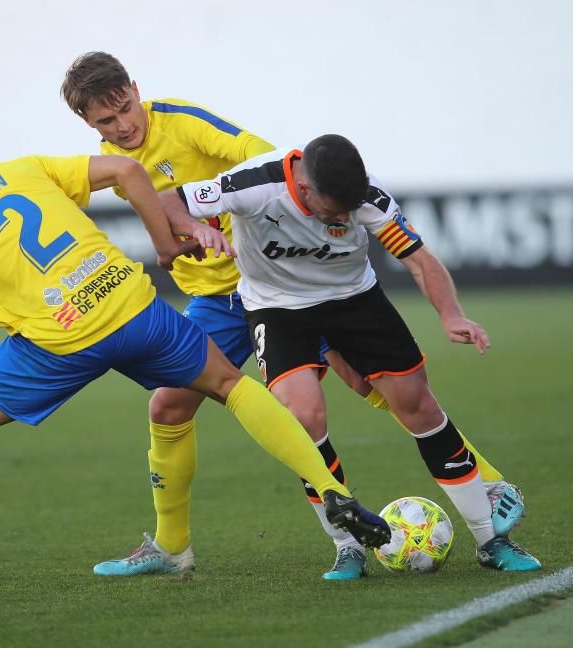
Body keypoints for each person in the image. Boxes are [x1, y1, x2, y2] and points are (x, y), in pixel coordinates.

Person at [0, 128, 390, 602]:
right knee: (231, 384)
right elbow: (129, 171)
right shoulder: (22, 167)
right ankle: (330, 486)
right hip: (130, 303)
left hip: (60, 339)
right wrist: (163, 242)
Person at [61, 52, 525, 580]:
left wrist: (224, 216)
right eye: (106, 120)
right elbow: (163, 226)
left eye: (126, 108)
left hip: (290, 283)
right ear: (88, 123)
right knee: (169, 407)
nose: (123, 125)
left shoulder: (185, 122)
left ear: (135, 89)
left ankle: (487, 485)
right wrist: (189, 232)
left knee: (375, 385)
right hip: (225, 301)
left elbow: (262, 160)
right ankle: (173, 548)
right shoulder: (114, 166)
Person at [161, 134, 542, 572]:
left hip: (354, 300)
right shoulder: (252, 184)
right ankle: (347, 545)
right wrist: (194, 228)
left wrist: (451, 314)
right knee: (303, 420)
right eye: (335, 210)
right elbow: (168, 200)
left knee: (417, 406)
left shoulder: (366, 195)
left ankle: (490, 540)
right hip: (277, 308)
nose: (344, 216)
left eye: (349, 208)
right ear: (303, 189)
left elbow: (419, 259)